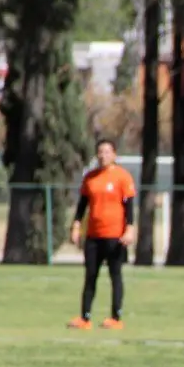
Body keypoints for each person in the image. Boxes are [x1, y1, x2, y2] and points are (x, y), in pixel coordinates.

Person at [68, 138, 136, 330]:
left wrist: (129, 229)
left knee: (115, 275)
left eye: (107, 152)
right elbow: (82, 205)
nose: (103, 155)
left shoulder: (123, 177)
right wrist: (76, 225)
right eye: (100, 152)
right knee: (90, 276)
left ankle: (116, 317)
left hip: (115, 236)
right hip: (93, 236)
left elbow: (129, 206)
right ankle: (85, 318)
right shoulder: (90, 178)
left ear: (114, 155)